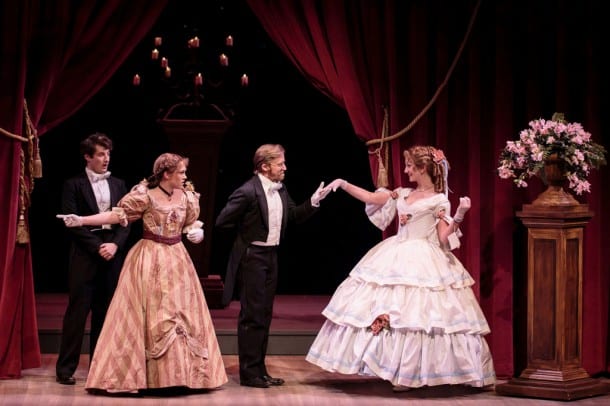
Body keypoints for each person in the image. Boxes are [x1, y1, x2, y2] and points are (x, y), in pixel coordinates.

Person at [305, 145, 496, 392]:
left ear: (423, 168)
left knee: (417, 318)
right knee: (391, 311)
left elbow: (443, 238)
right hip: (396, 252)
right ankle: (394, 370)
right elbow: (372, 198)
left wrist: (459, 214)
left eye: (409, 166)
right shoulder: (402, 193)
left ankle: (408, 375)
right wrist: (342, 184)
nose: (406, 171)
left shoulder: (439, 200)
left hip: (425, 258)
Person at [57, 152, 228, 394]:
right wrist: (83, 220)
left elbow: (190, 222)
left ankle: (183, 376)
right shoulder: (144, 194)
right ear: (166, 174)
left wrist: (195, 232)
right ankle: (148, 378)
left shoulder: (188, 196)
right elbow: (118, 215)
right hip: (150, 256)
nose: (185, 176)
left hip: (177, 259)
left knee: (181, 314)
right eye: (181, 172)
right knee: (151, 314)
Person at [215, 143, 330, 388]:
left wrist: (313, 201)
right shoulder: (247, 191)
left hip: (270, 257)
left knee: (264, 315)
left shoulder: (280, 190)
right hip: (252, 257)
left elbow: (294, 215)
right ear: (265, 167)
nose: (285, 168)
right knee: (252, 316)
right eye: (280, 164)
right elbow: (223, 220)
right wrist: (245, 238)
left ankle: (260, 370)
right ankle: (249, 373)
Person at [55, 133, 131, 385]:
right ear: (87, 157)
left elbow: (126, 220)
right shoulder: (73, 184)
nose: (106, 158)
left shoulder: (119, 184)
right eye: (100, 154)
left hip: (111, 253)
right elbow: (71, 221)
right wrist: (97, 246)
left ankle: (99, 367)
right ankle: (66, 369)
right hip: (85, 254)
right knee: (78, 311)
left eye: (108, 153)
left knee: (105, 312)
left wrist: (115, 245)